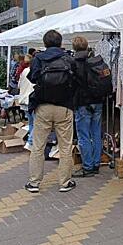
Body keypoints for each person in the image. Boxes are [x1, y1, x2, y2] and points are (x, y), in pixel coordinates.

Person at [26, 30, 80, 193]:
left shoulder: (38, 58)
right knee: (65, 146)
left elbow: (33, 78)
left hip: (43, 105)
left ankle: (34, 183)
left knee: (38, 146)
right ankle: (65, 182)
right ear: (60, 42)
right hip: (65, 106)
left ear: (45, 43)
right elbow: (77, 80)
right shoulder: (69, 59)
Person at [72, 37, 105, 177]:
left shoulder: (74, 64)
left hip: (83, 104)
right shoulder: (96, 60)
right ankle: (96, 163)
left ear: (74, 48)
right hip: (98, 101)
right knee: (96, 134)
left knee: (84, 136)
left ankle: (88, 166)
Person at [18, 55, 34, 151]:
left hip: (23, 99)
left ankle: (30, 141)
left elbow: (19, 85)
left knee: (31, 122)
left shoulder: (24, 71)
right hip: (31, 100)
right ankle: (30, 142)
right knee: (35, 123)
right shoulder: (35, 72)